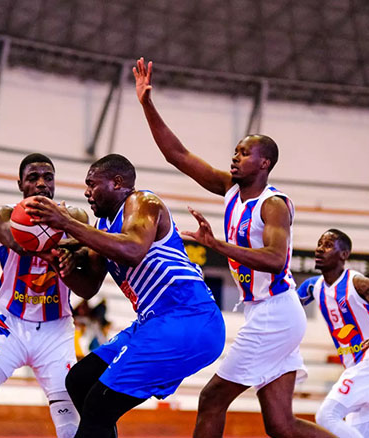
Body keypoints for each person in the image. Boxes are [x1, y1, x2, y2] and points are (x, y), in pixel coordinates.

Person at [133, 57, 331, 438]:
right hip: (266, 313)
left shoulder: (273, 205)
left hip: (276, 313)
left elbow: (275, 261)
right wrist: (147, 104)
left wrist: (216, 244)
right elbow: (178, 155)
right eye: (236, 152)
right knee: (282, 426)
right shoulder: (229, 190)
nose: (234, 157)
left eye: (243, 153)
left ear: (264, 163)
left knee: (211, 398)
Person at [25, 153, 226, 438]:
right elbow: (89, 287)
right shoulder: (104, 227)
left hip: (188, 317)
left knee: (99, 404)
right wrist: (64, 267)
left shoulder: (142, 202)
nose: (86, 192)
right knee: (81, 381)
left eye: (91, 184)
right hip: (154, 322)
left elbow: (132, 249)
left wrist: (68, 224)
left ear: (117, 183)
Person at [0, 153, 92, 438]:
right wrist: (60, 245)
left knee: (69, 424)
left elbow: (88, 253)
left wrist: (77, 255)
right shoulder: (1, 213)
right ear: (20, 184)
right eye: (33, 178)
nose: (41, 184)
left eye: (48, 178)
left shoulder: (75, 217)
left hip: (56, 329)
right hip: (9, 322)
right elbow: (12, 238)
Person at [296, 229, 369, 438]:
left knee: (326, 416)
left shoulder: (358, 283)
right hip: (358, 366)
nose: (319, 249)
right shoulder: (312, 286)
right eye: (319, 243)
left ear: (344, 254)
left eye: (327, 245)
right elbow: (287, 307)